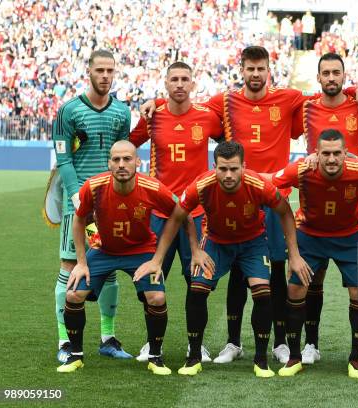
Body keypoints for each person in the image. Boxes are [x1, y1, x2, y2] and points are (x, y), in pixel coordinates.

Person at [141, 46, 358, 365]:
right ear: (242, 70)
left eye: (261, 68)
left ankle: (278, 342)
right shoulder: (225, 101)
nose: (256, 74)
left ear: (268, 70)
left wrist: (351, 88)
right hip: (235, 194)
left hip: (273, 197)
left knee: (277, 268)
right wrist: (159, 101)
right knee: (237, 267)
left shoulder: (289, 98)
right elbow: (184, 106)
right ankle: (233, 342)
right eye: (250, 68)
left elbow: (327, 94)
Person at [135, 141, 312, 377]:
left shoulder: (259, 184)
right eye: (223, 169)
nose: (228, 175)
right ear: (214, 166)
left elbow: (284, 212)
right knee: (197, 289)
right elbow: (177, 217)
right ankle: (194, 356)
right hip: (217, 243)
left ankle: (260, 360)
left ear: (244, 167)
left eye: (234, 169)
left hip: (252, 243)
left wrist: (295, 254)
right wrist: (171, 256)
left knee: (262, 292)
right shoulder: (202, 185)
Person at [57, 141, 178, 375]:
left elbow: (178, 214)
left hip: (141, 250)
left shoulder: (152, 187)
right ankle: (75, 355)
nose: (122, 164)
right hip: (105, 250)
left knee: (156, 297)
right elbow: (79, 219)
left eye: (127, 159)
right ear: (109, 163)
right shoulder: (93, 186)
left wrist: (158, 259)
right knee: (73, 293)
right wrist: (81, 263)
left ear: (137, 162)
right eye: (116, 159)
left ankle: (155, 356)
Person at [130, 61, 223, 363]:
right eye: (174, 80)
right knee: (151, 281)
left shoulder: (207, 118)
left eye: (185, 79)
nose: (180, 84)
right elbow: (129, 146)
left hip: (196, 213)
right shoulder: (153, 116)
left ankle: (196, 344)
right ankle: (150, 342)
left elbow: (232, 141)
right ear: (166, 84)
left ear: (193, 84)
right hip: (159, 212)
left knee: (197, 285)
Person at [268, 129, 358, 379]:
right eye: (325, 154)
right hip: (310, 237)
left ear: (345, 154)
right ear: (316, 154)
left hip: (351, 238)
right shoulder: (302, 170)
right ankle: (295, 356)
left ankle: (356, 357)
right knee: (296, 290)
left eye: (336, 153)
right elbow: (270, 182)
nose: (331, 159)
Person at [291, 52, 358, 367]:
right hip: (314, 202)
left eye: (336, 73)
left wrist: (356, 90)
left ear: (343, 75)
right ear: (319, 76)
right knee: (313, 277)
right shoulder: (308, 106)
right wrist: (355, 87)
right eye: (325, 73)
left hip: (354, 205)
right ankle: (311, 343)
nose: (330, 78)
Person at [52, 49, 131, 363]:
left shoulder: (122, 112)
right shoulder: (69, 111)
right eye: (100, 70)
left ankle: (108, 339)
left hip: (111, 206)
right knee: (69, 270)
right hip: (80, 205)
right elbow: (63, 157)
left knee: (109, 270)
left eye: (110, 71)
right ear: (89, 72)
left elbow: (123, 154)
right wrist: (75, 195)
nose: (105, 76)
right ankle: (64, 342)